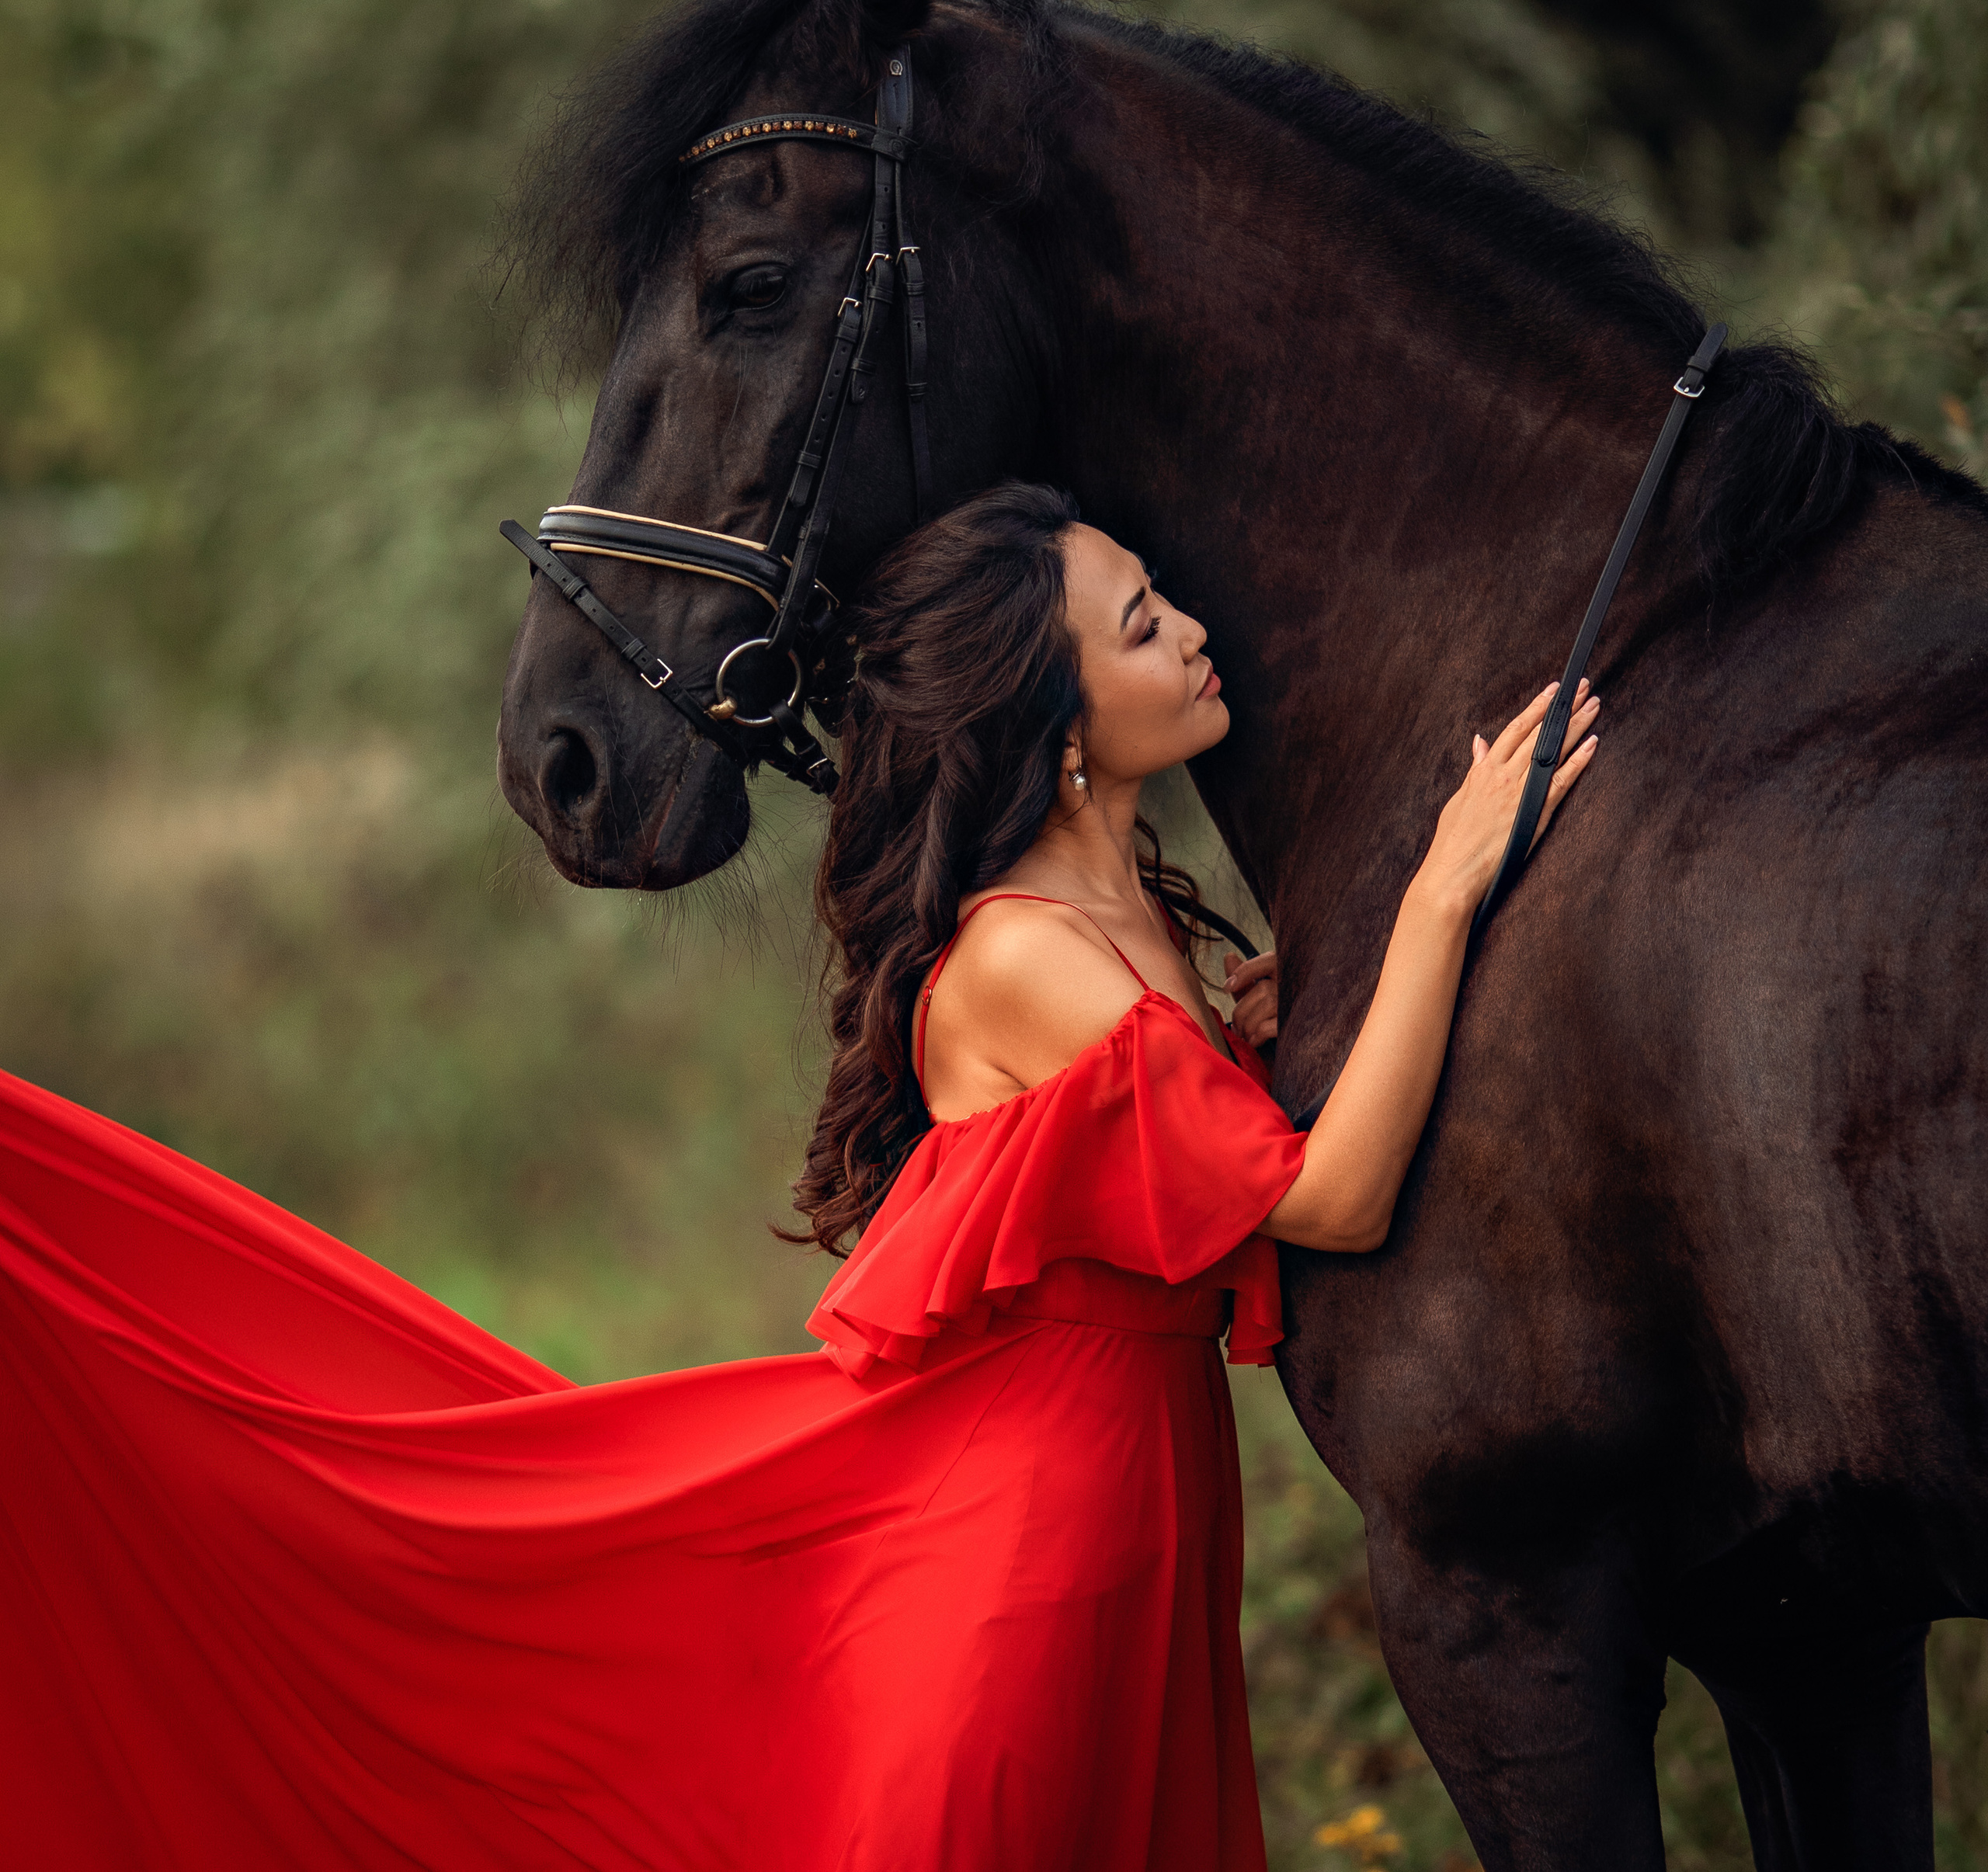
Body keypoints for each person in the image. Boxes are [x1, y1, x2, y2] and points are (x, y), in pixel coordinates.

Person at [0, 482, 1597, 1870]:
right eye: (1135, 623)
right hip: (1021, 1551)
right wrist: (1443, 891)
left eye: (1159, 601)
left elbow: (1188, 1166)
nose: (1187, 631)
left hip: (1138, 1528)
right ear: (1053, 723)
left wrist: (1264, 1025)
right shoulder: (1025, 956)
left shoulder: (1139, 936)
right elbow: (1327, 1203)